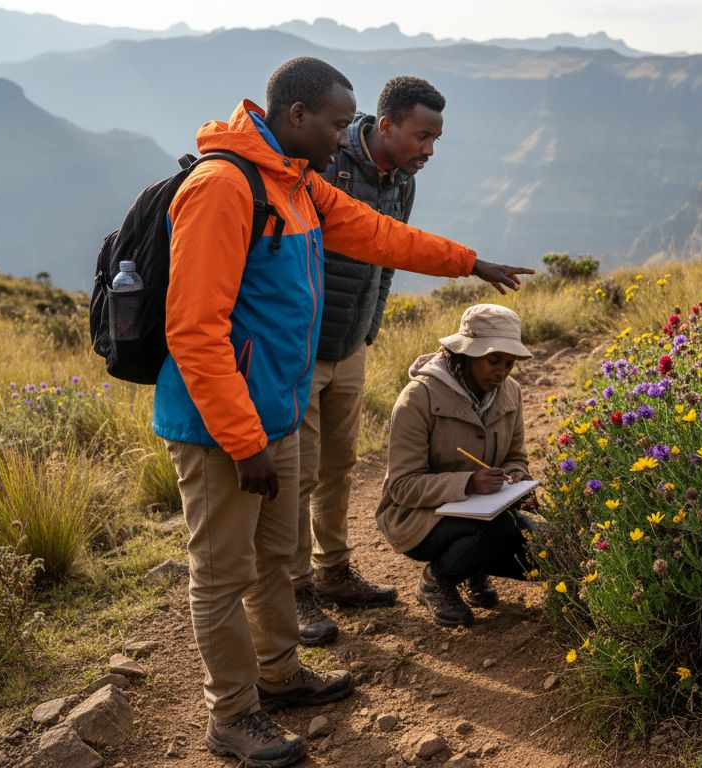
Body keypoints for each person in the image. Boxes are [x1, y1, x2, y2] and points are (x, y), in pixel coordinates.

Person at [155, 57, 531, 768]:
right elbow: (193, 330)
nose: (343, 137)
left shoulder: (296, 185)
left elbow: (380, 236)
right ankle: (232, 715)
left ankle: (281, 674)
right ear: (296, 118)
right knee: (222, 575)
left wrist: (469, 262)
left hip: (275, 413)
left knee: (274, 557)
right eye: (334, 123)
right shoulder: (221, 188)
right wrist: (243, 441)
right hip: (219, 428)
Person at [291, 76, 448, 647]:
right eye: (422, 135)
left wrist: (369, 328)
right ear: (386, 126)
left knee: (339, 463)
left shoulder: (400, 181)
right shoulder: (328, 165)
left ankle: (333, 571)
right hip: (303, 351)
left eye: (435, 138)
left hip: (350, 345)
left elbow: (387, 258)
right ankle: (295, 588)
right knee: (298, 473)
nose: (429, 149)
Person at [375, 304, 536, 628]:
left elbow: (516, 455)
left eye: (509, 363)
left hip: (485, 510)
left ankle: (472, 568)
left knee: (545, 553)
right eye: (493, 360)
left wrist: (518, 475)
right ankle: (436, 581)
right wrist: (469, 483)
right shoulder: (417, 398)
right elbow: (402, 485)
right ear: (465, 354)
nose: (502, 372)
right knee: (498, 530)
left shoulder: (511, 393)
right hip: (415, 516)